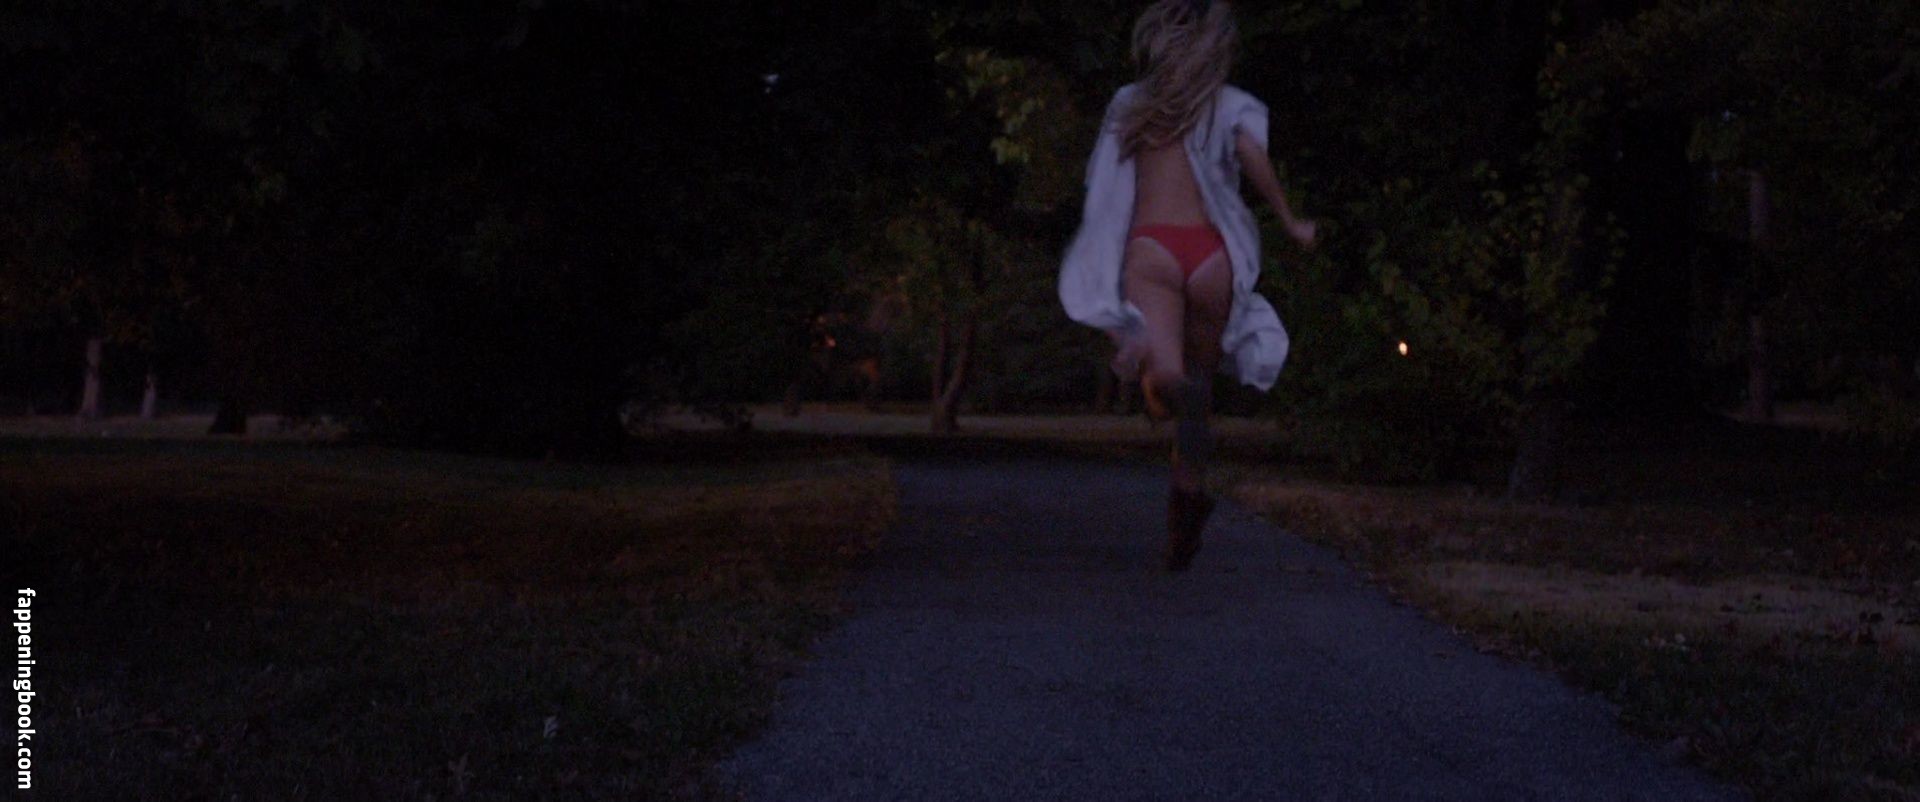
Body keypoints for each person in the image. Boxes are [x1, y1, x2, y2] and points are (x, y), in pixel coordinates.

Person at [1059, 0, 1316, 571]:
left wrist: (1107, 284)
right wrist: (1290, 220)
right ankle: (1186, 499)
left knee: (1167, 381)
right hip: (1211, 257)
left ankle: (1166, 392)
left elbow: (1104, 183)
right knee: (1199, 390)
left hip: (1153, 249)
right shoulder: (1223, 103)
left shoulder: (1132, 103)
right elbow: (1252, 156)